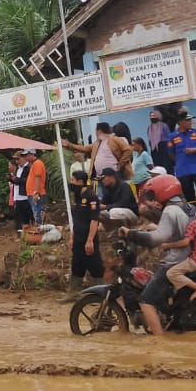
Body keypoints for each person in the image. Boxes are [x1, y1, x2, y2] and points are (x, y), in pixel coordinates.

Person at [119, 174, 192, 335]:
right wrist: (154, 226)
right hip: (190, 257)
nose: (154, 199)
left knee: (146, 300)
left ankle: (158, 341)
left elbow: (155, 240)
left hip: (176, 260)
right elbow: (175, 230)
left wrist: (130, 233)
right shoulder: (185, 206)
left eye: (154, 194)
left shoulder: (170, 210)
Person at [64, 169, 104, 299]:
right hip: (78, 237)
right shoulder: (78, 197)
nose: (72, 183)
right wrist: (72, 237)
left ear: (81, 182)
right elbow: (76, 220)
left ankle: (100, 294)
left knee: (94, 265)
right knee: (77, 264)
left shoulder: (91, 196)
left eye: (73, 180)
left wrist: (90, 240)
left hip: (88, 237)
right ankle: (73, 292)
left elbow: (94, 220)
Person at [61, 122, 133, 188]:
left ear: (99, 131)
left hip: (113, 174)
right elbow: (84, 148)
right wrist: (69, 145)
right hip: (100, 176)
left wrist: (120, 164)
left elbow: (128, 150)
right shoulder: (97, 143)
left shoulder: (115, 140)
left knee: (116, 193)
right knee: (104, 197)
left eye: (96, 131)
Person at [170, 110, 196, 201]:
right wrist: (179, 162)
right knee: (189, 197)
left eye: (190, 120)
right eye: (187, 120)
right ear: (180, 122)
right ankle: (194, 213)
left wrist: (195, 150)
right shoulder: (173, 136)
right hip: (183, 171)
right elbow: (170, 153)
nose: (190, 122)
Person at [9, 150, 34, 230]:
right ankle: (22, 233)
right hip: (17, 195)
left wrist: (17, 179)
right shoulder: (18, 169)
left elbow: (28, 180)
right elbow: (16, 181)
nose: (17, 161)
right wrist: (11, 179)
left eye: (18, 159)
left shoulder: (29, 168)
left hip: (25, 196)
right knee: (20, 217)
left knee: (29, 215)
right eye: (16, 160)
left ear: (24, 158)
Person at [25, 150, 47, 225]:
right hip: (32, 193)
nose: (26, 157)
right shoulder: (33, 164)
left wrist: (36, 192)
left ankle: (40, 230)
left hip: (36, 193)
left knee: (38, 214)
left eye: (27, 155)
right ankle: (39, 229)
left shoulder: (37, 163)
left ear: (32, 154)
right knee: (36, 213)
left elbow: (38, 178)